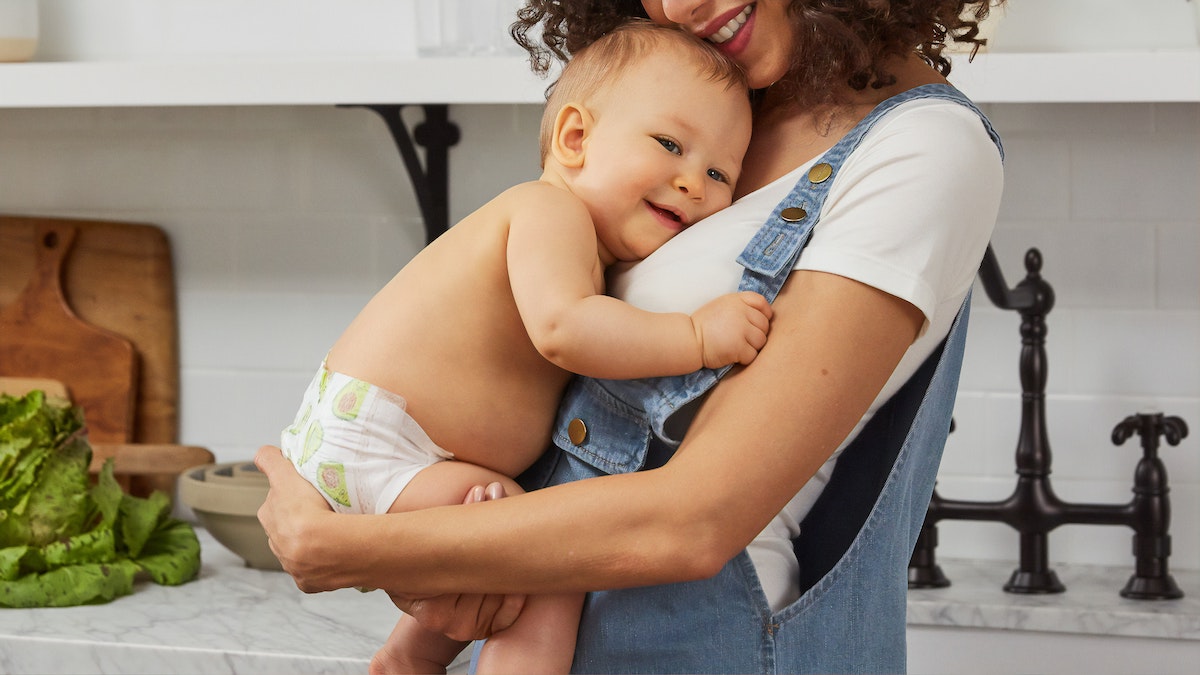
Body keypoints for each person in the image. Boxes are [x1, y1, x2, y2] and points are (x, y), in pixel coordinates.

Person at [256, 1, 1007, 672]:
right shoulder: (698, 106)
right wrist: (456, 559)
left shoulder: (925, 148)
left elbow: (698, 520)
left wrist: (349, 549)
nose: (678, 5)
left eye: (716, 172)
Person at [276, 20, 764, 675]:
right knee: (549, 561)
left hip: (385, 438)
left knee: (507, 548)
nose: (693, 182)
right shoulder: (547, 212)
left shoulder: (583, 242)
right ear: (575, 137)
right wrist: (697, 336)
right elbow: (565, 330)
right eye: (670, 143)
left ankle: (406, 659)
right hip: (382, 437)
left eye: (718, 172)